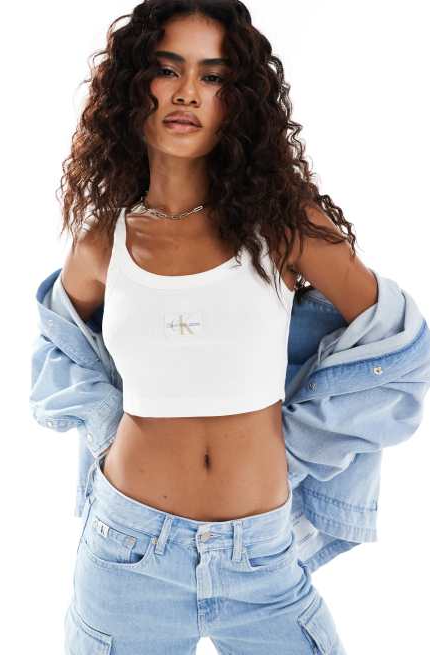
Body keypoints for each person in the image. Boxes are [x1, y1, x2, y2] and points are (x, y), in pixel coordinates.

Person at [55, 2, 377, 652]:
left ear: (239, 100)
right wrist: (106, 434)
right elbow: (62, 354)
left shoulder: (284, 226)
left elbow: (390, 344)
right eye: (166, 69)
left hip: (261, 556)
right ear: (133, 87)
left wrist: (303, 441)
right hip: (126, 553)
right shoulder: (101, 246)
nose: (186, 92)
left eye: (212, 76)